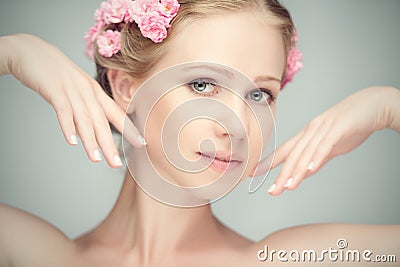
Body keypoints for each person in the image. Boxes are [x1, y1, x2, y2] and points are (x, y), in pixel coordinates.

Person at [0, 0, 399, 266]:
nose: (238, 124)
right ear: (126, 88)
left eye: (260, 93)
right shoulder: (36, 254)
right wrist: (14, 52)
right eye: (203, 84)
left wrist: (386, 107)